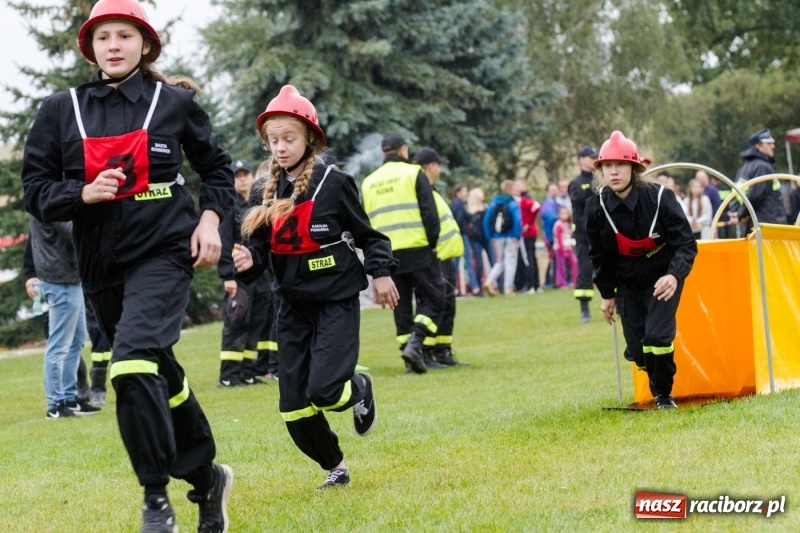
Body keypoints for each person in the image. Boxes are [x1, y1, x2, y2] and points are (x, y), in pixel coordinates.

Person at [21, 1, 234, 530]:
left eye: (124, 35)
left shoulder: (174, 103)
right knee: (157, 368)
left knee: (132, 362)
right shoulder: (60, 109)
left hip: (164, 252)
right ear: (90, 47)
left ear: (146, 45)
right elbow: (35, 190)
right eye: (103, 37)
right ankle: (207, 478)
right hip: (99, 264)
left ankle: (156, 500)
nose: (113, 45)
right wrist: (81, 193)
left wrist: (210, 222)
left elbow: (217, 169)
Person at [234, 85, 399, 489]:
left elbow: (370, 237)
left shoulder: (335, 183)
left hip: (335, 301)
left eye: (289, 138)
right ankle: (335, 467)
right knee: (293, 406)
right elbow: (259, 252)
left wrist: (381, 273)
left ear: (310, 138)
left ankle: (358, 387)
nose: (280, 147)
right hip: (292, 307)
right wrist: (248, 261)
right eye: (273, 140)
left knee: (324, 391)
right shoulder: (261, 192)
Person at [585, 131, 697, 409]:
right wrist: (607, 294)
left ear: (634, 168)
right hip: (628, 283)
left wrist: (674, 275)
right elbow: (599, 255)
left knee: (657, 337)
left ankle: (663, 395)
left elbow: (686, 243)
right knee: (637, 350)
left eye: (620, 165)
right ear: (600, 170)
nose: (614, 171)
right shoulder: (596, 207)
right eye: (607, 165)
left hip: (663, 279)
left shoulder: (660, 198)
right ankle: (656, 376)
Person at [362, 132, 443, 374]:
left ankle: (409, 356)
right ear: (404, 150)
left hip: (387, 255)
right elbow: (429, 211)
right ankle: (416, 342)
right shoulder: (413, 173)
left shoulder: (369, 182)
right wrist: (433, 241)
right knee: (436, 298)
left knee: (401, 305)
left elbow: (365, 223)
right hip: (417, 248)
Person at [26, 217, 99, 419]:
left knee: (76, 341)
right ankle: (55, 404)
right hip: (61, 279)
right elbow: (73, 231)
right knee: (59, 344)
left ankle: (69, 398)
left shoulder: (49, 200)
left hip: (69, 277)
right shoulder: (52, 202)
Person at [413, 147, 469, 367]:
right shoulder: (421, 190)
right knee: (435, 304)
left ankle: (443, 350)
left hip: (445, 256)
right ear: (431, 166)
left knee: (447, 306)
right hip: (435, 257)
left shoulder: (430, 189)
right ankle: (426, 352)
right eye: (439, 165)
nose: (440, 170)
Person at [216, 159, 269, 387]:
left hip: (259, 274)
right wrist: (227, 276)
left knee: (256, 321)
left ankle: (248, 372)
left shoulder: (258, 203)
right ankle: (229, 376)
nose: (242, 179)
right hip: (237, 275)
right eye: (237, 176)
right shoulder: (229, 205)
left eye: (245, 174)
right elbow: (223, 241)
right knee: (236, 322)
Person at [732, 128, 785, 231]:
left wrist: (740, 214)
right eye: (768, 143)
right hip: (767, 225)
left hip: (753, 224)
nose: (773, 146)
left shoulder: (745, 167)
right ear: (758, 145)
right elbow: (754, 196)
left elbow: (736, 196)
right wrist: (742, 214)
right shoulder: (762, 167)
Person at [569, 145, 599, 322]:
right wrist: (593, 188)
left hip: (602, 233)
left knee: (613, 268)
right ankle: (585, 310)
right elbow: (580, 199)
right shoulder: (576, 183)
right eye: (591, 157)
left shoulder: (601, 179)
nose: (594, 160)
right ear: (581, 159)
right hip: (584, 236)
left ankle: (620, 306)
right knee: (585, 271)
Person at [482, 180, 522, 296]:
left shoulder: (494, 202)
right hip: (510, 236)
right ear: (510, 189)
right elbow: (517, 221)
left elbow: (486, 220)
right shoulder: (512, 203)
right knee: (511, 261)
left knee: (500, 261)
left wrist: (490, 236)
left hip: (497, 237)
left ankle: (489, 281)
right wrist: (517, 237)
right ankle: (508, 288)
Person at [512, 178, 542, 294]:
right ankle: (534, 285)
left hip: (527, 233)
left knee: (528, 258)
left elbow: (536, 206)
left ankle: (532, 285)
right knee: (530, 257)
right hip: (528, 232)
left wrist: (528, 223)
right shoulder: (520, 199)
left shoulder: (524, 199)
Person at [450, 183, 479, 295]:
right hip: (462, 235)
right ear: (458, 193)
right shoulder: (460, 205)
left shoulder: (454, 204)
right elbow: (459, 219)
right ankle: (475, 287)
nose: (466, 193)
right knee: (468, 261)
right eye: (464, 191)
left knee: (456, 263)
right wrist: (468, 222)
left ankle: (453, 287)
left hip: (457, 235)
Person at [466, 187, 493, 294]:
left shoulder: (486, 208)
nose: (483, 194)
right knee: (479, 263)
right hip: (476, 239)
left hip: (486, 238)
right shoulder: (470, 211)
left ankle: (498, 284)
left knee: (493, 261)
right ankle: (478, 286)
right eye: (480, 193)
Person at [540, 183, 560, 288]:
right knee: (553, 258)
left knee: (555, 258)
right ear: (547, 192)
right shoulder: (547, 205)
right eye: (552, 190)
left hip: (557, 236)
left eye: (556, 189)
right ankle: (549, 281)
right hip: (551, 236)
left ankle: (552, 280)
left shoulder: (556, 204)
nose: (555, 191)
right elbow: (552, 219)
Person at [553, 207, 578, 288]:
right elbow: (559, 239)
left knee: (574, 262)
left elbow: (570, 236)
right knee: (561, 266)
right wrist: (563, 250)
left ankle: (576, 281)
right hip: (560, 248)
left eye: (566, 213)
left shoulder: (568, 224)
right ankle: (561, 283)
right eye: (562, 213)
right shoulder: (558, 225)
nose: (564, 215)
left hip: (569, 248)